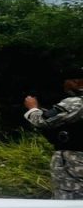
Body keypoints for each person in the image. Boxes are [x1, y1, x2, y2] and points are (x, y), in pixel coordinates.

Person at [24, 68, 83, 199]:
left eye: (67, 81)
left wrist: (32, 108)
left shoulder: (76, 102)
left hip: (74, 161)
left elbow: (42, 121)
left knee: (70, 201)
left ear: (77, 82)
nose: (64, 85)